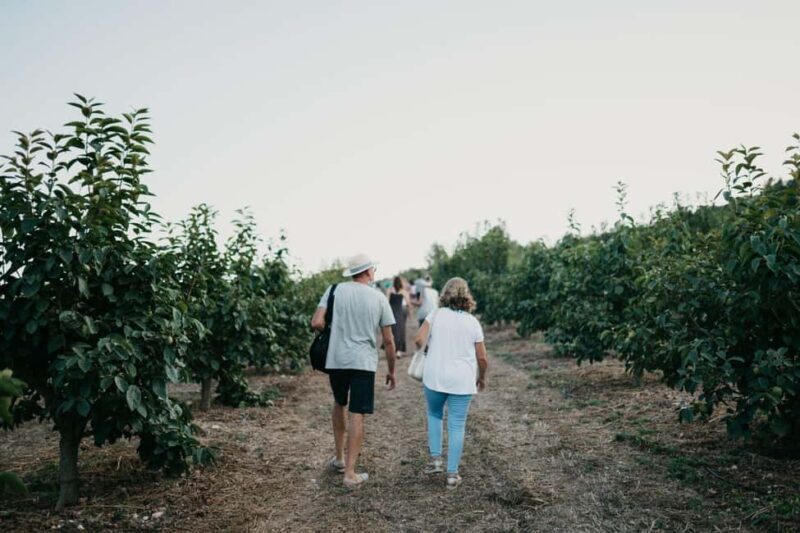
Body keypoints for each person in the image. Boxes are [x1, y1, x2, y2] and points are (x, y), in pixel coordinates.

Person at [311, 254, 397, 488]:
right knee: (356, 413)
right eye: (373, 269)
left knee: (339, 403)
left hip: (336, 358)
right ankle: (350, 473)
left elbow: (316, 322)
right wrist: (391, 370)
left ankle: (339, 458)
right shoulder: (378, 298)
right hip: (363, 362)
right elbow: (389, 341)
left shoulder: (334, 290)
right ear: (368, 271)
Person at [413, 277, 488, 489]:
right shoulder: (472, 322)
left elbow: (418, 339)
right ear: (466, 296)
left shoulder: (435, 315)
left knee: (434, 414)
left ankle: (436, 460)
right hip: (462, 380)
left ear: (445, 294)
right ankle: (452, 475)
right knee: (457, 424)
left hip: (435, 376)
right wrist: (481, 377)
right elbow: (482, 357)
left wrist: (427, 348)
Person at [385, 276, 411, 357]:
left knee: (392, 331)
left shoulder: (389, 290)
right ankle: (399, 351)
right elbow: (408, 303)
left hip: (391, 312)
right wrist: (409, 313)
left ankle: (393, 349)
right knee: (400, 331)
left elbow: (386, 302)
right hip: (400, 312)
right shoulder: (403, 292)